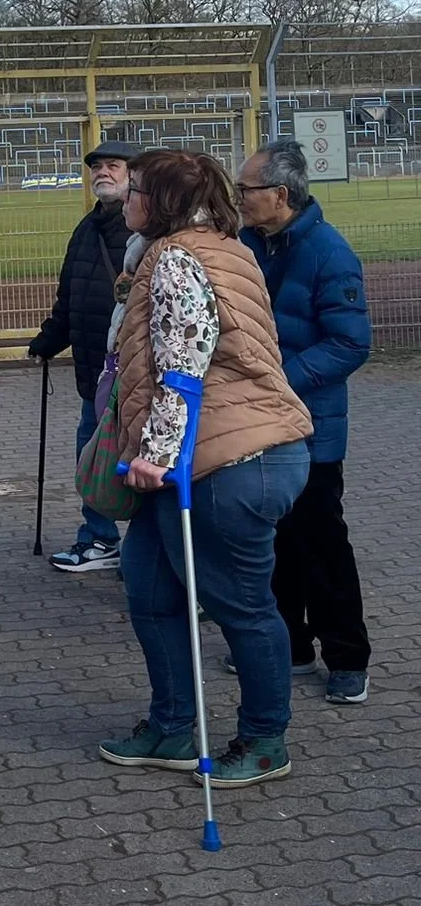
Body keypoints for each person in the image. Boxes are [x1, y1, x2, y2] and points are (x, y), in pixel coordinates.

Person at [100, 148, 312, 787]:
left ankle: (265, 738)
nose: (124, 197)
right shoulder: (224, 246)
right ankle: (172, 724)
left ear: (159, 201)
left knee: (241, 605)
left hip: (228, 460)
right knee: (150, 587)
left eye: (135, 188)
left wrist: (154, 456)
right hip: (217, 454)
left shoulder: (177, 260)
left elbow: (184, 369)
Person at [238, 139, 372, 704]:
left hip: (312, 426)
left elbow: (351, 342)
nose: (238, 198)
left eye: (246, 189)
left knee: (321, 539)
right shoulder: (246, 244)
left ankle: (348, 657)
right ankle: (291, 644)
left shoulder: (328, 253)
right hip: (260, 422)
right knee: (275, 535)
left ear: (281, 195)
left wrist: (280, 377)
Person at [27, 139, 140, 572]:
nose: (103, 173)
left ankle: (148, 548)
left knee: (140, 462)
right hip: (95, 376)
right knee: (92, 460)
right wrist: (47, 341)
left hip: (137, 375)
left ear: (134, 175)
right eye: (97, 167)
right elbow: (70, 298)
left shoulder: (144, 233)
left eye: (113, 166)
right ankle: (99, 539)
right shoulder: (86, 229)